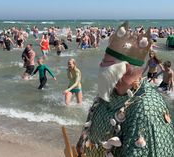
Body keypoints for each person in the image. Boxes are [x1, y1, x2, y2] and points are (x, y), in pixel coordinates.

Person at [75, 22, 174, 157]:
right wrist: (81, 144)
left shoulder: (146, 109)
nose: (100, 64)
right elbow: (90, 121)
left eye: (106, 62)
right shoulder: (106, 92)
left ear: (125, 69)